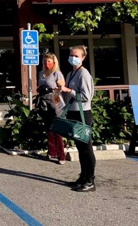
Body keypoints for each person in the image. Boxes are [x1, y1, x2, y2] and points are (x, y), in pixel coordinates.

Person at [61, 45, 96, 192]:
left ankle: (90, 180)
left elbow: (86, 97)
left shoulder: (84, 74)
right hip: (73, 112)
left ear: (83, 57)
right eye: (71, 55)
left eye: (76, 55)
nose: (73, 58)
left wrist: (69, 90)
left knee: (86, 147)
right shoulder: (70, 74)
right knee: (80, 147)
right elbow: (70, 94)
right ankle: (83, 176)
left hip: (83, 113)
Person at [36, 53, 66, 164]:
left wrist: (54, 89)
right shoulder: (41, 73)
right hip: (44, 101)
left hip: (55, 99)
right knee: (48, 127)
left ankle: (61, 156)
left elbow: (62, 87)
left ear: (53, 62)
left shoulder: (56, 73)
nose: (47, 63)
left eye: (49, 61)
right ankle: (51, 152)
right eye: (45, 61)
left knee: (57, 127)